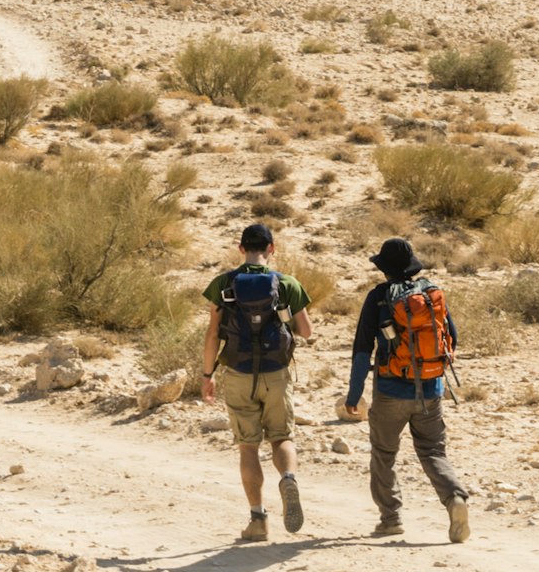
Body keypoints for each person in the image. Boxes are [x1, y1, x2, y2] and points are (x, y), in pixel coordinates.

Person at [338, 235, 472, 543]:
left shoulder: (379, 298)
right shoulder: (430, 293)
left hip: (390, 390)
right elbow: (452, 336)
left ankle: (391, 518)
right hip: (431, 388)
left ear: (384, 269)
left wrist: (354, 394)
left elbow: (362, 349)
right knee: (432, 450)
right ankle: (455, 498)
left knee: (384, 453)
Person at [196, 221, 313, 541]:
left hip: (237, 374)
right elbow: (306, 331)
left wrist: (207, 376)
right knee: (281, 437)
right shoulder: (287, 282)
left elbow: (211, 335)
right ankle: (288, 476)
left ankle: (258, 519)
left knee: (248, 447)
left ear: (241, 249)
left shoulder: (223, 283)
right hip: (276, 373)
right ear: (271, 249)